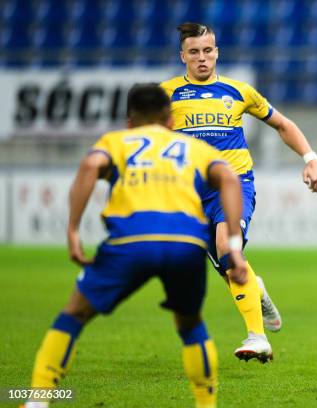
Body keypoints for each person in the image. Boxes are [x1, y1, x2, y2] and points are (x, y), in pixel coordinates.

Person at [24, 84, 245, 408]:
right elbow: (228, 177)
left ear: (130, 121)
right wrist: (235, 247)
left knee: (74, 313)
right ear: (170, 120)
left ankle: (38, 401)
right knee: (190, 322)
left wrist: (72, 229)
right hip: (185, 243)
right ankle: (205, 404)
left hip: (131, 240)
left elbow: (89, 167)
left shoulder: (116, 141)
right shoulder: (190, 146)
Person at [160, 22, 317, 362]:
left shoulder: (238, 91)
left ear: (217, 52)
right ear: (183, 57)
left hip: (234, 184)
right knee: (230, 265)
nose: (202, 58)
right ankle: (257, 289)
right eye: (194, 52)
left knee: (227, 246)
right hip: (189, 195)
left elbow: (283, 124)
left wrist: (311, 159)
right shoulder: (166, 95)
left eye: (208, 50)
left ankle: (258, 337)